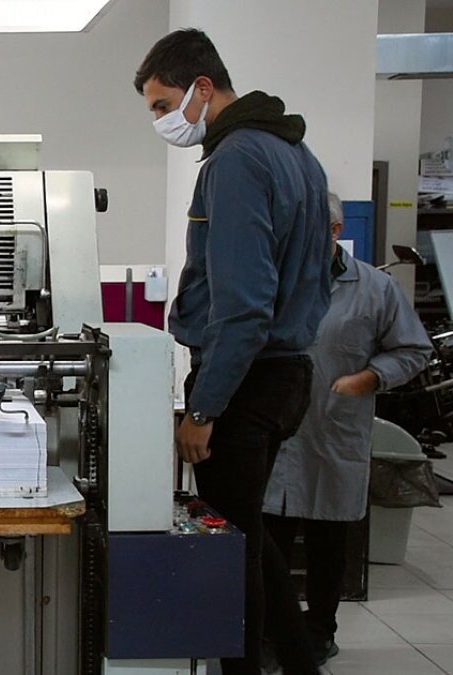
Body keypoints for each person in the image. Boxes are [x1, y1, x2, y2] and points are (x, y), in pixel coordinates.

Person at [134, 29, 331, 675]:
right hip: (286, 372)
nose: (162, 121)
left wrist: (205, 408)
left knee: (232, 558)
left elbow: (243, 307)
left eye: (163, 106)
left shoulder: (237, 160)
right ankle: (299, 662)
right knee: (251, 538)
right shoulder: (295, 153)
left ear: (203, 87)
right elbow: (321, 273)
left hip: (245, 381)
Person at [263, 192, 432, 666]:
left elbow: (413, 350)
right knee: (269, 542)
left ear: (335, 232)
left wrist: (370, 377)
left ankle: (320, 631)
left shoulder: (376, 288)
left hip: (333, 431)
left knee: (327, 543)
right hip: (276, 431)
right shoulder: (273, 280)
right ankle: (270, 633)